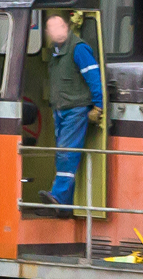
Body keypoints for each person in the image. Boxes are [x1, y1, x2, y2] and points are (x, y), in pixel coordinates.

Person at [39, 14, 103, 217]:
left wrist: (98, 107)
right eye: (51, 29)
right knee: (63, 154)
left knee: (67, 154)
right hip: (60, 110)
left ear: (66, 27)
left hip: (76, 109)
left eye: (58, 27)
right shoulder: (56, 52)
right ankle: (63, 208)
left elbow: (94, 77)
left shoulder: (78, 48)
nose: (55, 32)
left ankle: (57, 198)